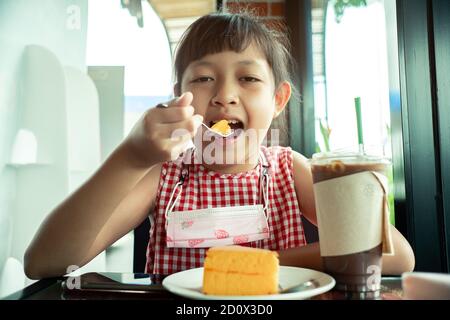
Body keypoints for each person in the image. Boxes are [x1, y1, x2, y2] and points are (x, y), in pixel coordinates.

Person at [24, 10, 415, 279]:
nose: (224, 95)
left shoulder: (286, 169)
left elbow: (395, 253)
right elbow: (45, 263)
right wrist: (129, 157)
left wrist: (262, 264)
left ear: (277, 100)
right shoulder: (164, 175)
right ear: (179, 96)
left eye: (248, 79)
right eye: (203, 79)